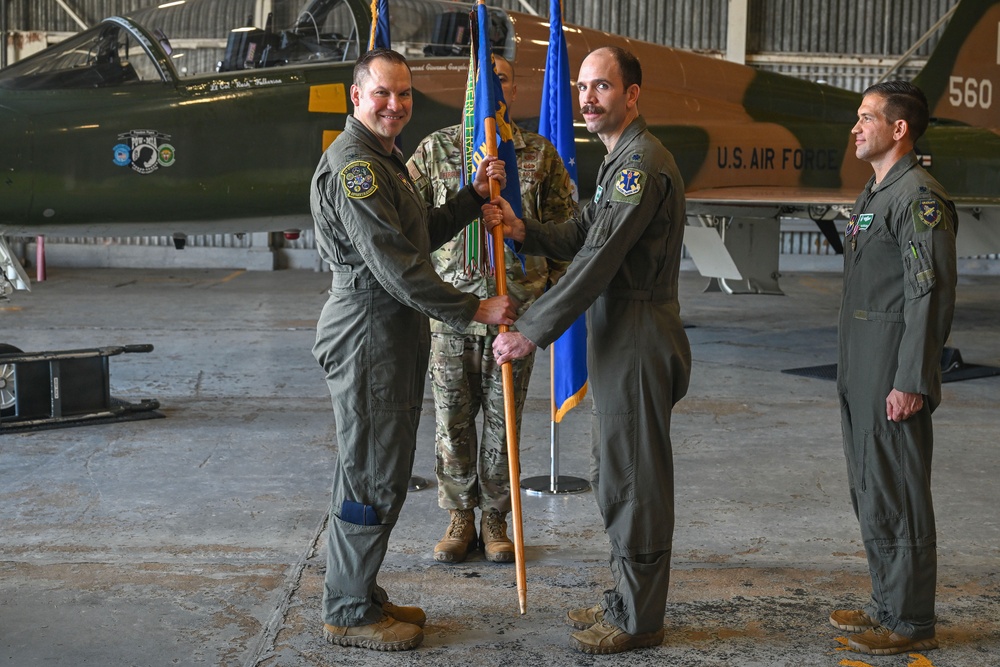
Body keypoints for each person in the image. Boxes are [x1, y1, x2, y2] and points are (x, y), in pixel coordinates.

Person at [484, 46, 691, 655]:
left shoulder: (639, 165)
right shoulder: (619, 159)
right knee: (615, 472)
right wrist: (527, 232)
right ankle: (627, 600)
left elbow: (599, 260)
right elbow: (585, 232)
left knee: (634, 481)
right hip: (618, 333)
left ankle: (640, 620)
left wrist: (534, 329)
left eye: (602, 87)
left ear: (632, 95)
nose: (587, 98)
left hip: (637, 333)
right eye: (581, 87)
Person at [310, 48, 516, 652]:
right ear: (357, 97)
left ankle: (359, 588)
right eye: (382, 94)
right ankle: (347, 611)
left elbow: (416, 234)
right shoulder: (357, 168)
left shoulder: (383, 159)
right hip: (370, 329)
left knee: (375, 467)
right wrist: (473, 307)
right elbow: (396, 266)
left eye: (404, 95)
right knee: (373, 471)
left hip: (388, 330)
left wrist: (472, 198)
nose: (395, 106)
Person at [406, 55, 577, 565]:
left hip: (513, 315)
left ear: (514, 88)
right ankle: (460, 516)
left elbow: (566, 238)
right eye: (483, 77)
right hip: (452, 313)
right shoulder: (437, 150)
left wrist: (544, 311)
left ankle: (497, 518)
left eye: (502, 76)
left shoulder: (538, 155)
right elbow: (408, 229)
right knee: (452, 424)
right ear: (469, 87)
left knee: (504, 425)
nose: (492, 85)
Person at [830, 80, 957, 656]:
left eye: (866, 117)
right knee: (872, 487)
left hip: (890, 367)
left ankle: (909, 619)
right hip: (861, 362)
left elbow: (926, 295)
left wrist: (911, 379)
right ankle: (887, 600)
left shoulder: (918, 198)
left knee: (899, 491)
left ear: (898, 128)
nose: (856, 127)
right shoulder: (877, 192)